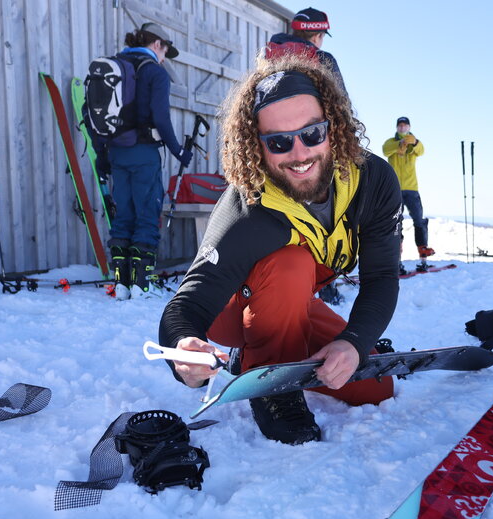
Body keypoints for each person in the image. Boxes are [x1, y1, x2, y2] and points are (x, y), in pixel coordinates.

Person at [158, 54, 403, 445]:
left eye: (312, 133)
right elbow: (188, 304)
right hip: (234, 307)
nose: (300, 153)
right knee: (291, 262)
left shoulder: (372, 181)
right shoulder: (249, 205)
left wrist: (354, 343)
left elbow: (382, 277)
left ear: (333, 126)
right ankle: (272, 385)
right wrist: (182, 349)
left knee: (373, 388)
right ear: (257, 146)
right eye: (278, 142)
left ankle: (259, 356)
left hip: (290, 305)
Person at [105, 23, 187, 299]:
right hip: (144, 153)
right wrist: (178, 151)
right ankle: (142, 284)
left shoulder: (113, 67)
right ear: (157, 45)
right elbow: (161, 118)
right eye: (165, 51)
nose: (164, 57)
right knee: (147, 213)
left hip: (116, 152)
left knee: (123, 213)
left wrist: (103, 156)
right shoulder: (155, 72)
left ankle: (121, 281)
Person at [382, 117, 433, 273]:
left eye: (405, 125)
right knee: (396, 223)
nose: (402, 128)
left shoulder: (414, 144)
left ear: (409, 127)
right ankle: (396, 261)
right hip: (395, 188)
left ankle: (423, 256)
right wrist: (399, 145)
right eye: (400, 125)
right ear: (397, 127)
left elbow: (422, 150)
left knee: (419, 220)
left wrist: (414, 143)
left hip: (411, 188)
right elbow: (385, 150)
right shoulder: (390, 142)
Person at [265, 7, 347, 96]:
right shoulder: (324, 58)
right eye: (322, 37)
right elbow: (341, 98)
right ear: (318, 36)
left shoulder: (270, 51)